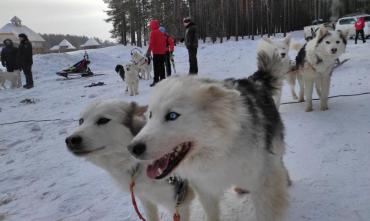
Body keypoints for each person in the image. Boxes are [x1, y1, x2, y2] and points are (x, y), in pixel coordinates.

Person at [146, 20, 167, 87]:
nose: (150, 27)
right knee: (162, 67)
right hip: (162, 53)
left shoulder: (153, 32)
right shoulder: (161, 32)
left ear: (152, 25)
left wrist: (148, 51)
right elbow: (164, 42)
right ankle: (163, 80)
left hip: (156, 53)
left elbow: (152, 43)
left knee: (156, 67)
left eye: (150, 25)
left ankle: (156, 81)